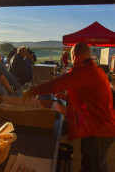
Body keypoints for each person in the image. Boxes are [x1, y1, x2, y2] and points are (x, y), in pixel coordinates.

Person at [23, 42, 115, 172]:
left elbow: (57, 84)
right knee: (91, 163)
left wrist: (32, 91)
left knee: (94, 167)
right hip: (99, 125)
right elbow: (92, 96)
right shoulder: (95, 69)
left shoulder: (85, 71)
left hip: (99, 129)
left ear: (74, 56)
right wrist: (68, 98)